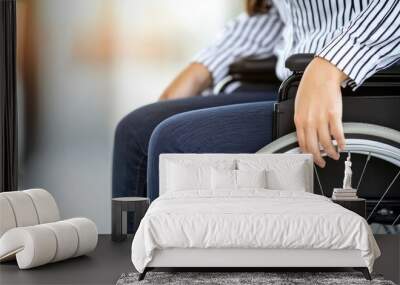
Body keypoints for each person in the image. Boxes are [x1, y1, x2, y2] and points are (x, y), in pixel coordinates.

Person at [113, 0, 400, 201]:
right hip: (298, 80)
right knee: (138, 130)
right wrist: (201, 70)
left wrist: (335, 62)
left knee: (173, 141)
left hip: (362, 84)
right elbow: (284, 15)